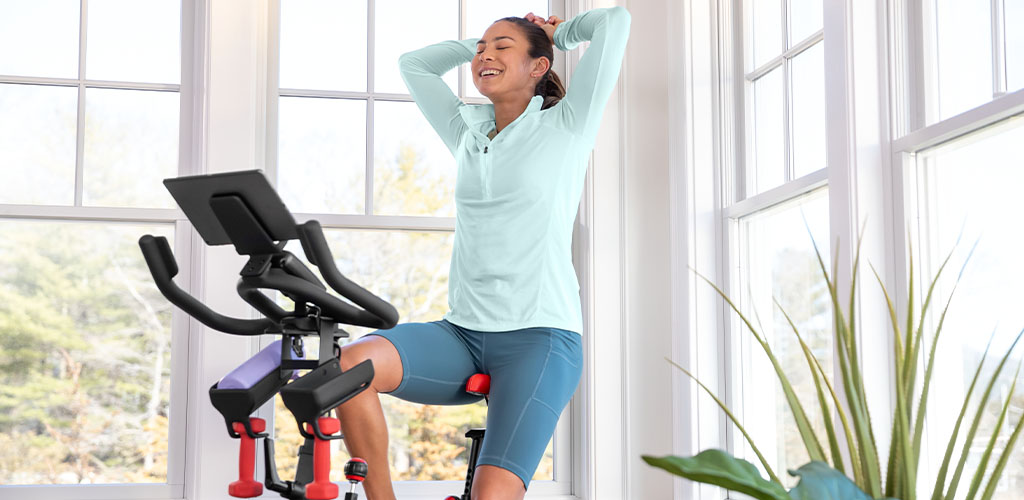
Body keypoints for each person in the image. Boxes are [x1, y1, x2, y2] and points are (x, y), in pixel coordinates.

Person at [334, 7, 630, 500]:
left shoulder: (568, 126)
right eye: (480, 51)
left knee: (492, 495)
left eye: (502, 49)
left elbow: (615, 21)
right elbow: (415, 65)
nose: (485, 57)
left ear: (538, 67)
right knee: (351, 365)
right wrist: (493, 41)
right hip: (462, 332)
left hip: (540, 337)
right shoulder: (468, 133)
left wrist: (554, 33)